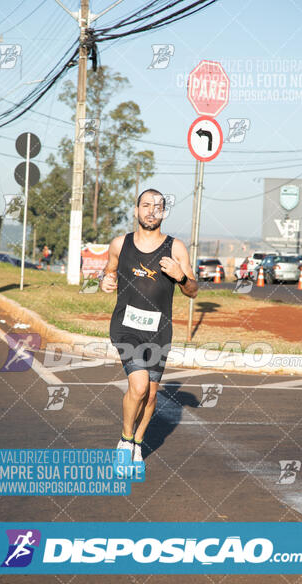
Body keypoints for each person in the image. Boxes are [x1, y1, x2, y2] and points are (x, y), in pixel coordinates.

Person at [100, 189, 198, 466]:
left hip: (159, 330)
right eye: (146, 205)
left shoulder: (176, 248)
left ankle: (137, 444)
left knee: (152, 393)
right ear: (136, 210)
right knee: (140, 385)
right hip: (125, 325)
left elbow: (193, 291)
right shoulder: (120, 244)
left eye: (157, 207)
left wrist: (181, 277)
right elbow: (108, 271)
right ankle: (125, 439)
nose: (151, 211)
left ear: (163, 213)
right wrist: (104, 282)